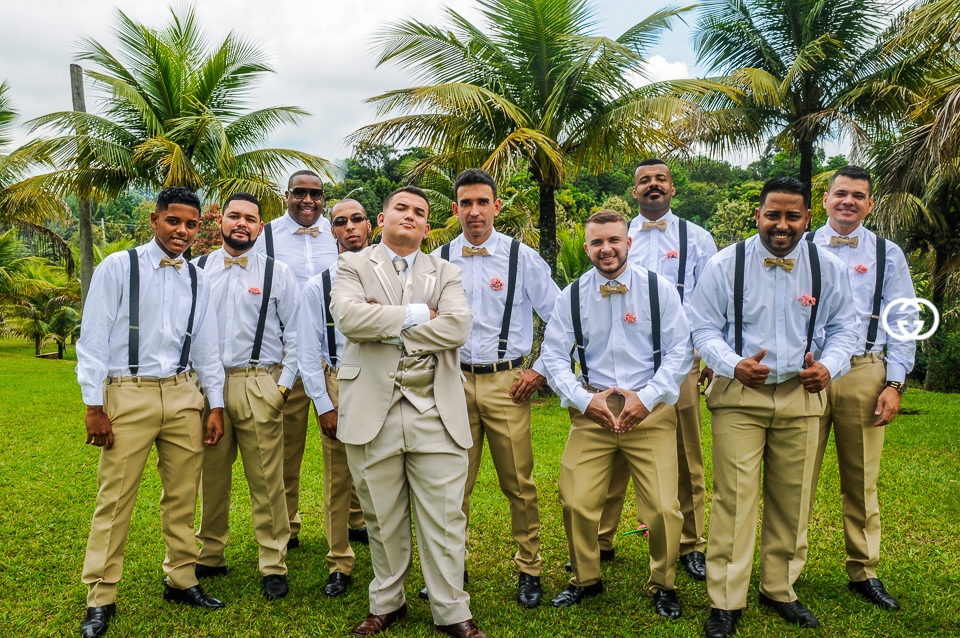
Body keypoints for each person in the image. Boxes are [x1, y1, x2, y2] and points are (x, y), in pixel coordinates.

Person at [689, 177, 860, 638]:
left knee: (794, 497)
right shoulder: (726, 264)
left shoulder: (827, 267)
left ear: (808, 218)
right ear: (758, 215)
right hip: (740, 394)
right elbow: (702, 328)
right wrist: (732, 364)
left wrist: (829, 367)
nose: (781, 225)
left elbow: (846, 328)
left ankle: (779, 588)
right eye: (773, 215)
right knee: (734, 498)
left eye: (792, 216)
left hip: (801, 392)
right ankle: (726, 599)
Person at [330, 187, 488, 638]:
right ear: (381, 218)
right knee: (382, 516)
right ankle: (388, 603)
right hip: (371, 408)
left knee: (445, 517)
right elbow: (349, 319)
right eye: (401, 208)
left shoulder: (447, 271)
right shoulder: (352, 265)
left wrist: (386, 323)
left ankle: (452, 611)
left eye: (420, 212)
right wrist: (422, 314)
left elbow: (457, 327)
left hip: (436, 409)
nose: (411, 215)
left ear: (427, 226)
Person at [76, 187, 226, 638]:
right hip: (129, 392)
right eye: (173, 221)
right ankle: (101, 596)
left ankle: (181, 578)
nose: (182, 231)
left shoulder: (197, 276)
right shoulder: (118, 266)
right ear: (155, 220)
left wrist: (215, 403)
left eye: (191, 224)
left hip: (182, 394)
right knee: (115, 499)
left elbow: (206, 346)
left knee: (183, 495)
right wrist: (94, 405)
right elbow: (93, 338)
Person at [540, 209, 692, 618]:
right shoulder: (572, 295)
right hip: (593, 411)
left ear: (628, 243)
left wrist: (649, 397)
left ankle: (663, 584)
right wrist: (582, 399)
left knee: (663, 508)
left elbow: (680, 350)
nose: (606, 249)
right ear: (587, 246)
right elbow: (553, 355)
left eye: (613, 240)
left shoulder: (659, 289)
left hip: (650, 410)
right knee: (575, 500)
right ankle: (585, 579)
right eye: (597, 242)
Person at [423, 168, 559, 608]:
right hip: (452, 380)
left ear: (496, 206)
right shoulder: (437, 260)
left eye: (483, 202)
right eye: (466, 203)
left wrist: (540, 371)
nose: (475, 211)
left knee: (519, 482)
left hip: (507, 383)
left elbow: (560, 318)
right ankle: (450, 568)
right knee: (451, 483)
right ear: (455, 209)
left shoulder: (523, 259)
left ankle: (530, 568)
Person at [592, 159, 717, 581]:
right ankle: (601, 539)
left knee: (685, 455)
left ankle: (691, 543)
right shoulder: (616, 237)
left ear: (672, 188)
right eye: (644, 180)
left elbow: (712, 303)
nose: (653, 185)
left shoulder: (697, 238)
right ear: (634, 191)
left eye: (660, 179)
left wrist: (710, 357)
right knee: (612, 451)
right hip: (622, 365)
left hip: (678, 364)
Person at [808, 166, 917, 610]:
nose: (848, 201)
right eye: (841, 193)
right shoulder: (800, 245)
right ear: (826, 200)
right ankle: (785, 569)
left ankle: (864, 571)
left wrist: (895, 383)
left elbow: (904, 319)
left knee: (861, 478)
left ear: (869, 204)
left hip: (864, 371)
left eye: (858, 195)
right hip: (808, 373)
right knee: (796, 476)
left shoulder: (888, 254)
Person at [192, 192, 301, 600]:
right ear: (220, 221)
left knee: (267, 479)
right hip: (208, 385)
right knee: (211, 474)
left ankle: (273, 563)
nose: (242, 223)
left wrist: (282, 388)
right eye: (234, 216)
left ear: (260, 226)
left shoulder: (278, 273)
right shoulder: (197, 269)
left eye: (250, 218)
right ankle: (210, 554)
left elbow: (297, 335)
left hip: (258, 382)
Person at [254, 170, 366, 548]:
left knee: (350, 442)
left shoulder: (339, 234)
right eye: (299, 193)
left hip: (334, 356)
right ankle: (286, 523)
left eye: (315, 194)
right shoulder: (266, 236)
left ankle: (355, 518)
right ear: (286, 195)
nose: (307, 200)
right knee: (285, 448)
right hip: (287, 358)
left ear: (323, 199)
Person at [298, 198, 373, 598]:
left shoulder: (395, 275)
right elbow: (308, 352)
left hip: (384, 380)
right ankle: (339, 563)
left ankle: (389, 559)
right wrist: (323, 404)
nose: (349, 227)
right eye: (341, 222)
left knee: (387, 475)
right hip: (339, 381)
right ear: (332, 232)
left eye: (356, 219)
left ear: (370, 225)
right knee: (338, 478)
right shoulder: (318, 285)